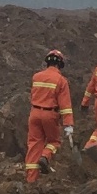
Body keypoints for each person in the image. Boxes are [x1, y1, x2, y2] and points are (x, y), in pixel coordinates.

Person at [24, 50, 75, 183]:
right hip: (49, 114)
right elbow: (65, 105)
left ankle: (31, 179)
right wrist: (68, 124)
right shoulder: (61, 80)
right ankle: (45, 157)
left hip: (34, 113)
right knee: (54, 141)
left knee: (34, 144)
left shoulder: (36, 77)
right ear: (60, 64)